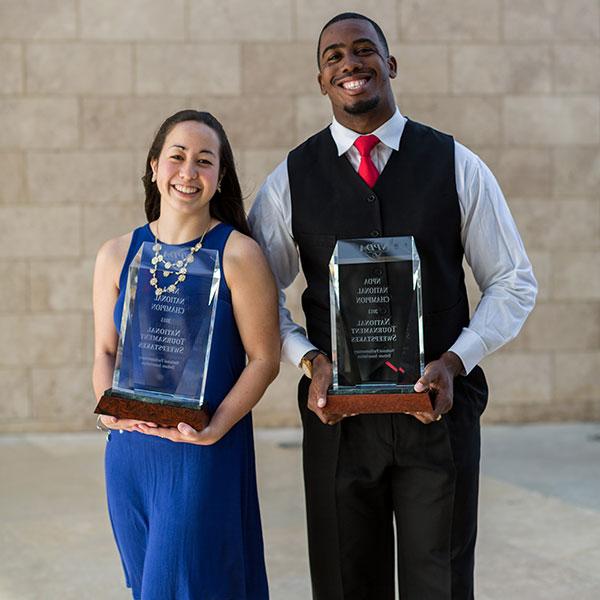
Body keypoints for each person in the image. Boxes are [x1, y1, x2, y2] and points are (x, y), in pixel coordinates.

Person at [249, 12, 537, 600]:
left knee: (442, 581)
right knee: (345, 580)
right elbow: (256, 297)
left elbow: (512, 281)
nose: (350, 63)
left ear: (391, 63)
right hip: (339, 421)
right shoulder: (289, 180)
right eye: (334, 56)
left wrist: (458, 360)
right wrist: (309, 359)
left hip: (438, 409)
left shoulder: (456, 164)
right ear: (321, 79)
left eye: (364, 50)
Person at [92, 109, 279, 600]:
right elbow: (104, 351)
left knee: (182, 586)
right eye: (177, 157)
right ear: (155, 166)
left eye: (204, 161)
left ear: (220, 178)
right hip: (130, 455)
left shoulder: (238, 254)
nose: (188, 172)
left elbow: (264, 358)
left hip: (200, 449)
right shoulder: (115, 254)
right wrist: (110, 414)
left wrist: (218, 426)